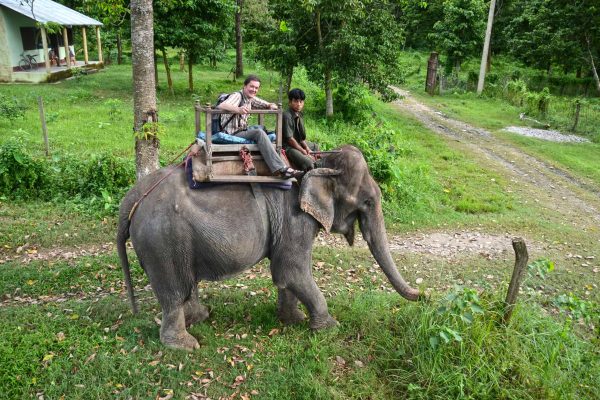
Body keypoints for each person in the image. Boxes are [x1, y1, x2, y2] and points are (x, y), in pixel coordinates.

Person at [217, 75, 302, 178]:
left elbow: (263, 103)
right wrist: (238, 109)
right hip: (232, 133)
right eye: (251, 86)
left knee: (262, 129)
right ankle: (280, 168)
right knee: (258, 133)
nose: (254, 90)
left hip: (241, 130)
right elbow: (222, 105)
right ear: (244, 86)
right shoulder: (237, 96)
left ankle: (272, 154)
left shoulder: (249, 98)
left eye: (256, 88)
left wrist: (270, 105)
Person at [282, 88, 319, 171]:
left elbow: (301, 138)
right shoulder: (287, 116)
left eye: (301, 102)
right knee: (309, 163)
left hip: (297, 142)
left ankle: (317, 162)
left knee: (315, 146)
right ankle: (306, 175)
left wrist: (307, 148)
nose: (298, 104)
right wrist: (303, 151)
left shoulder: (299, 114)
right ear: (290, 102)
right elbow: (290, 139)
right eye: (295, 101)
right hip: (287, 147)